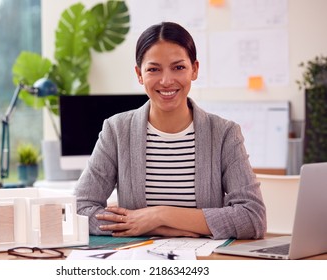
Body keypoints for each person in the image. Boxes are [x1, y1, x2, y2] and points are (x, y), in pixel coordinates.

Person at [75, 22, 266, 240]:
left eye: (178, 67)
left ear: (194, 69)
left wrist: (160, 215)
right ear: (139, 74)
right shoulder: (117, 131)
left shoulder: (224, 134)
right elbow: (80, 208)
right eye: (154, 69)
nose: (166, 81)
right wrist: (153, 229)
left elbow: (252, 217)